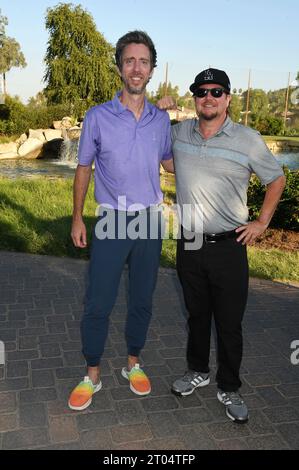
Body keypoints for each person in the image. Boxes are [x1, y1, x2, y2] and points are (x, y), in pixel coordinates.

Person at [158, 68, 285, 423]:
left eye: (216, 92)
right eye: (201, 92)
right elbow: (164, 159)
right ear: (195, 99)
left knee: (229, 323)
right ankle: (197, 370)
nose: (208, 98)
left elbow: (276, 179)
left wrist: (261, 223)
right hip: (190, 243)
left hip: (230, 247)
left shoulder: (247, 139)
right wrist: (156, 108)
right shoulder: (180, 132)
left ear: (228, 98)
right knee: (197, 316)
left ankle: (229, 387)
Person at [68, 31, 173, 411]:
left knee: (142, 300)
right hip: (111, 220)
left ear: (151, 69)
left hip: (149, 221)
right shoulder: (97, 116)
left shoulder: (161, 120)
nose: (136, 68)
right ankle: (92, 374)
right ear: (119, 67)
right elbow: (83, 168)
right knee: (99, 301)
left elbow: (170, 163)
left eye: (143, 61)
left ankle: (133, 364)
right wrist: (78, 217)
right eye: (129, 60)